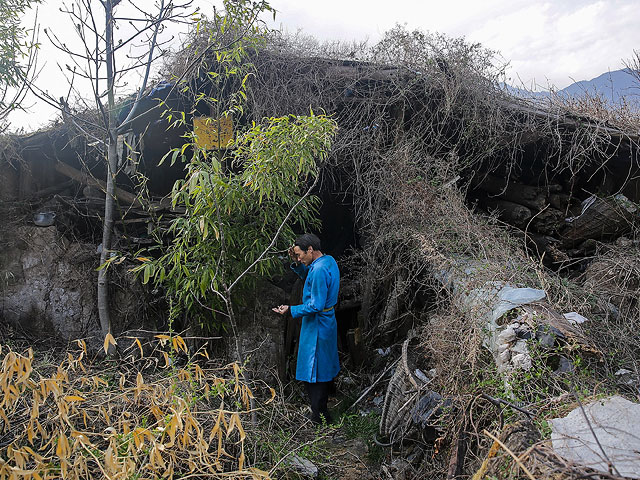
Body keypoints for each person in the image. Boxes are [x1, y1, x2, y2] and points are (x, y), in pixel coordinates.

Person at [273, 233, 340, 424]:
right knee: (324, 365)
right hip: (326, 321)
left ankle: (320, 416)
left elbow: (316, 305)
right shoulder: (327, 261)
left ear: (310, 249)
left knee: (314, 371)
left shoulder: (318, 270)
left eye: (300, 255)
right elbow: (308, 277)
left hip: (317, 323)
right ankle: (322, 411)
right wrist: (296, 264)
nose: (299, 258)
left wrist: (291, 309)